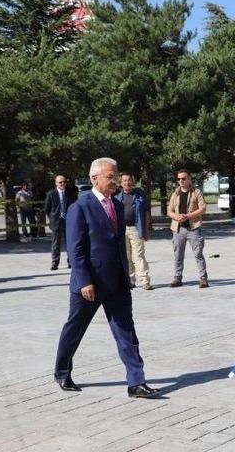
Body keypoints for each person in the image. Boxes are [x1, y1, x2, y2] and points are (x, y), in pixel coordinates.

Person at [53, 157, 159, 399]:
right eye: (111, 176)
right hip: (89, 283)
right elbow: (75, 249)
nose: (115, 180)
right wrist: (84, 281)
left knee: (126, 332)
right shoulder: (79, 206)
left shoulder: (118, 205)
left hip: (118, 281)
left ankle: (136, 382)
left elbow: (117, 244)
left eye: (116, 175)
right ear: (95, 178)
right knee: (75, 328)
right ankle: (61, 371)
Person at [167, 170, 209, 288]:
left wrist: (188, 216)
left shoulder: (196, 192)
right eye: (179, 179)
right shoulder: (175, 194)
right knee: (178, 255)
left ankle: (203, 279)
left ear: (189, 179)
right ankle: (177, 278)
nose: (181, 181)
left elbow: (203, 208)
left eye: (184, 178)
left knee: (198, 254)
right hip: (178, 229)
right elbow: (169, 210)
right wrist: (176, 217)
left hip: (193, 228)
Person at [116, 174, 153, 290]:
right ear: (121, 183)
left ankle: (144, 280)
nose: (127, 183)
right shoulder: (117, 198)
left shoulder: (140, 196)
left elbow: (146, 214)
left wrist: (146, 230)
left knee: (138, 256)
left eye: (129, 180)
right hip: (122, 230)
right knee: (126, 256)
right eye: (125, 181)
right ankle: (130, 280)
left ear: (133, 182)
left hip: (136, 229)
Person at [44, 175, 76, 270]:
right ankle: (55, 263)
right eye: (60, 182)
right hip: (56, 222)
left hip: (68, 221)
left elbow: (74, 206)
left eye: (64, 182)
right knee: (55, 244)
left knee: (70, 243)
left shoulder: (70, 193)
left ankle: (70, 262)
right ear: (56, 183)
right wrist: (52, 218)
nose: (62, 184)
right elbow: (47, 208)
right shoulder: (51, 194)